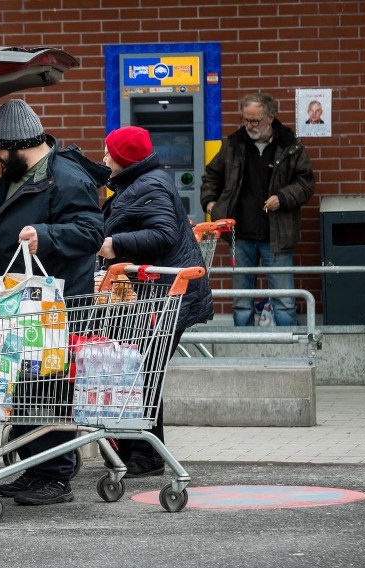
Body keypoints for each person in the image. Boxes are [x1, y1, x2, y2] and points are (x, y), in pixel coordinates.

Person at [0, 99, 104, 506]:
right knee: (25, 388)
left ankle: (54, 475)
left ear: (19, 145)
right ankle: (35, 469)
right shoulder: (15, 176)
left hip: (56, 303)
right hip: (21, 303)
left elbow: (90, 233)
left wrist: (46, 236)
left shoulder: (66, 178)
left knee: (49, 388)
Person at [98, 125, 214, 477]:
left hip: (167, 296)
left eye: (108, 152)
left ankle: (145, 455)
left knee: (143, 372)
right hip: (155, 295)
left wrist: (115, 245)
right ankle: (136, 450)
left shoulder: (150, 185)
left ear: (124, 158)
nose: (103, 157)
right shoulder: (140, 183)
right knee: (141, 370)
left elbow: (163, 234)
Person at [200, 93, 315, 327]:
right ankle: (241, 347)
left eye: (255, 121)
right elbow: (212, 174)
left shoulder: (291, 146)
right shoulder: (234, 144)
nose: (249, 126)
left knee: (284, 299)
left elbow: (306, 183)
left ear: (270, 117)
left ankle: (288, 349)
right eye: (245, 120)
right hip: (240, 234)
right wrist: (210, 202)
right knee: (242, 299)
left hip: (277, 235)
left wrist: (282, 198)